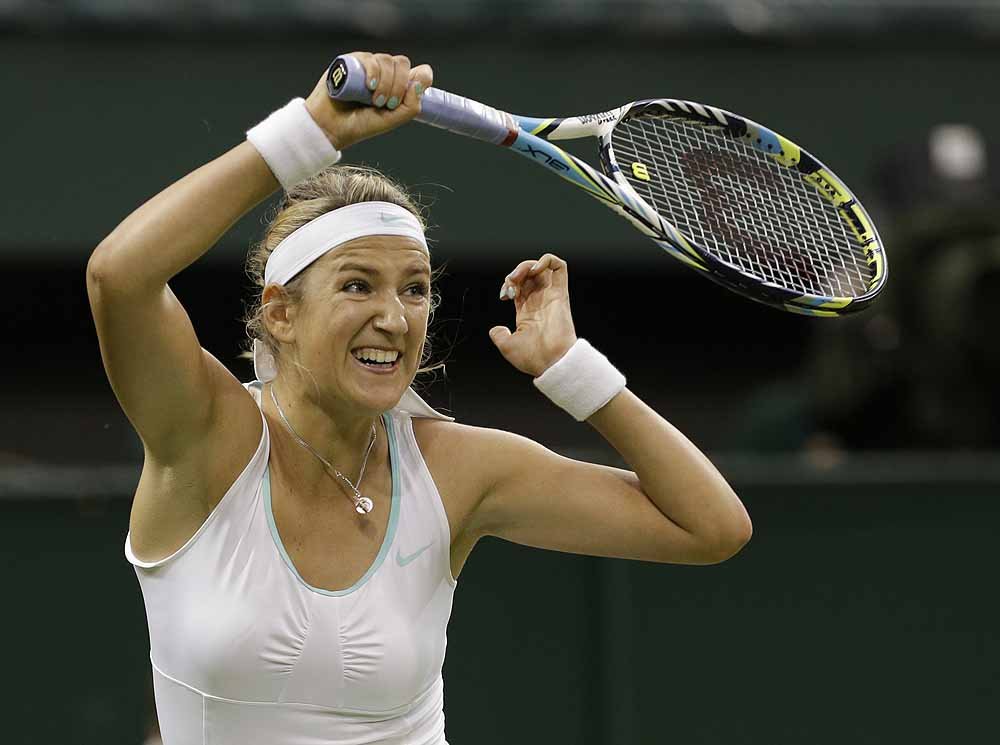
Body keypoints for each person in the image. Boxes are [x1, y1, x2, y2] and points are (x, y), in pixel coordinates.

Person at [87, 52, 752, 745]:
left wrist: (573, 371)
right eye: (357, 285)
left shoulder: (455, 469)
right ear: (280, 312)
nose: (394, 317)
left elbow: (711, 528)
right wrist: (310, 131)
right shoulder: (207, 435)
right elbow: (118, 277)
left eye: (414, 289)